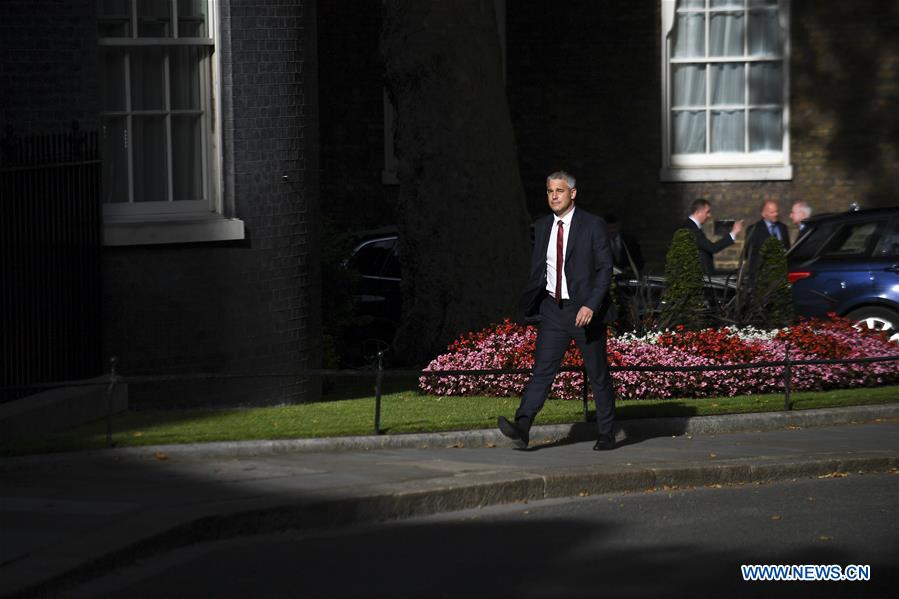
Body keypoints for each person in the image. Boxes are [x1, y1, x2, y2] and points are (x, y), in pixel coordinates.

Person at [498, 171, 617, 451]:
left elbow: (605, 269)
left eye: (560, 191)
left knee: (597, 374)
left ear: (572, 193)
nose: (554, 196)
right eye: (550, 191)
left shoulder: (593, 225)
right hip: (553, 309)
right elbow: (540, 268)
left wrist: (591, 304)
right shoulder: (542, 226)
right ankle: (523, 426)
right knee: (542, 370)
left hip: (584, 311)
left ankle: (607, 433)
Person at [681, 199, 744, 276]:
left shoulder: (692, 226)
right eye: (707, 212)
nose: (709, 215)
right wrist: (733, 233)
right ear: (698, 212)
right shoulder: (690, 228)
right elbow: (712, 248)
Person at [745, 200, 790, 279]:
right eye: (772, 212)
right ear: (763, 214)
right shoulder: (753, 229)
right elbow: (749, 254)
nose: (776, 214)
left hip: (780, 275)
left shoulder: (783, 228)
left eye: (777, 211)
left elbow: (787, 248)